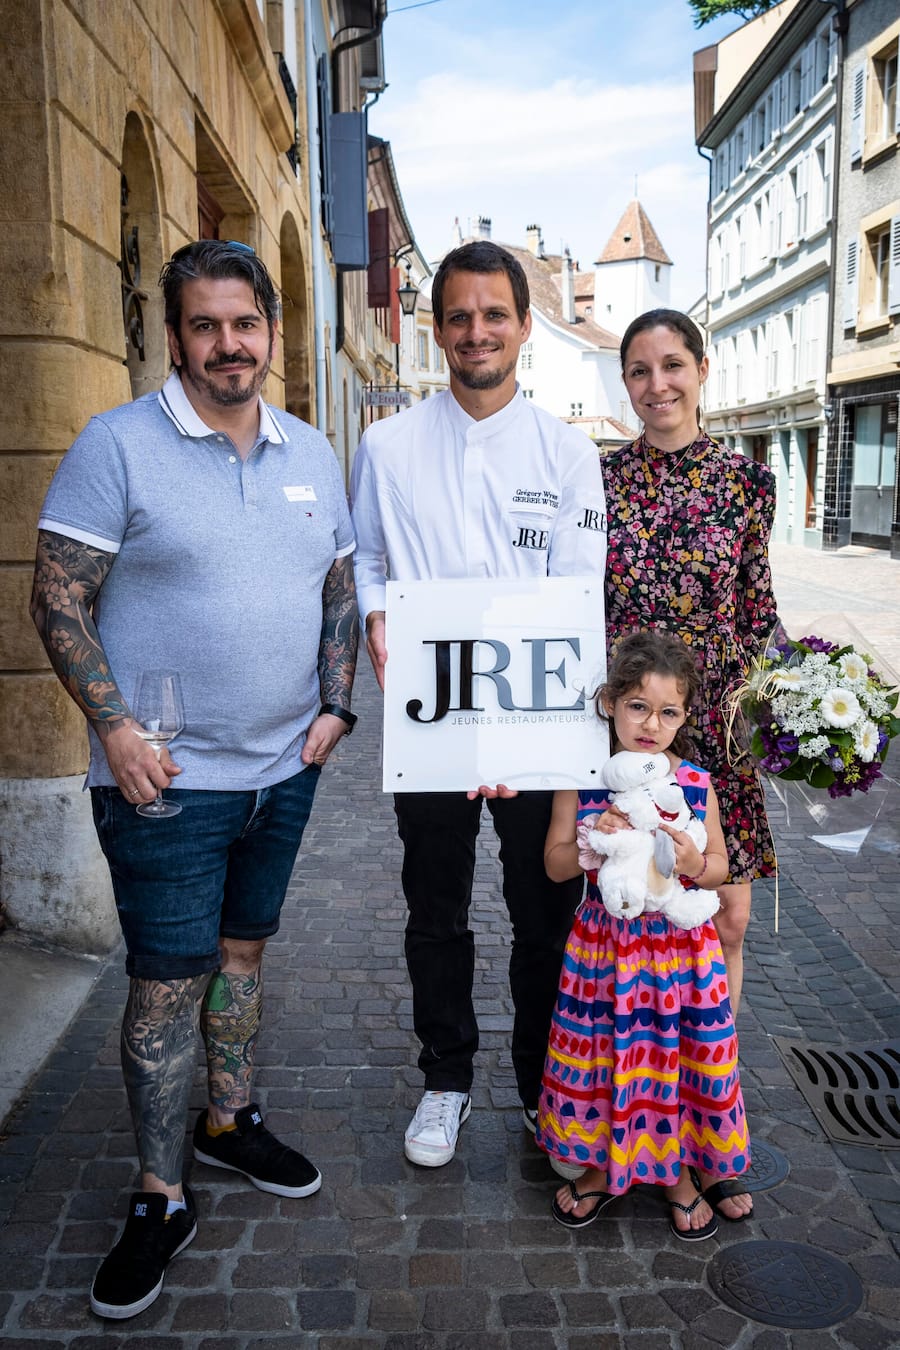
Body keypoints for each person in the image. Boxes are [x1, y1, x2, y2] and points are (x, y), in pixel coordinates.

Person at [30, 240, 358, 1320]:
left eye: (247, 324)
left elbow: (340, 591)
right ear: (175, 338)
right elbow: (58, 598)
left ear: (271, 331)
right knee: (166, 983)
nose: (230, 345)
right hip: (163, 778)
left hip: (282, 771)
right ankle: (159, 1193)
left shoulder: (310, 450)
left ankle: (230, 1118)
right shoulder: (117, 444)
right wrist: (113, 727)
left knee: (242, 955)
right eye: (206, 326)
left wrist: (336, 705)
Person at [350, 240, 607, 1167]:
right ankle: (446, 1080)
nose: (476, 331)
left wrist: (516, 736)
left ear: (524, 328)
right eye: (458, 315)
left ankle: (545, 1089)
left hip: (538, 729)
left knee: (546, 914)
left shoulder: (570, 453)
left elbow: (581, 596)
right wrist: (379, 623)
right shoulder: (385, 445)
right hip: (431, 727)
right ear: (437, 326)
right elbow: (370, 562)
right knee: (436, 911)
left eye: (494, 314)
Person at [537, 630, 753, 1237]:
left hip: (681, 951)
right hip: (607, 949)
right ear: (611, 704)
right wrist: (589, 842)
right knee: (612, 1053)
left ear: (684, 717)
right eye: (638, 707)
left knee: (675, 1056)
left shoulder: (694, 783)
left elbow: (717, 868)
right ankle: (606, 1167)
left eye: (668, 712)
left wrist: (690, 864)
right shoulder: (581, 778)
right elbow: (554, 864)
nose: (651, 724)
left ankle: (679, 1171)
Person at [605, 309, 778, 1014]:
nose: (657, 384)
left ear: (702, 370)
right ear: (626, 382)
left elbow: (758, 606)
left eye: (672, 365)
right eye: (640, 371)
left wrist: (777, 707)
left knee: (726, 918)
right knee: (630, 908)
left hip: (716, 720)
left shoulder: (749, 483)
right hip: (632, 721)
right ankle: (638, 1071)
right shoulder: (598, 481)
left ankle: (711, 1083)